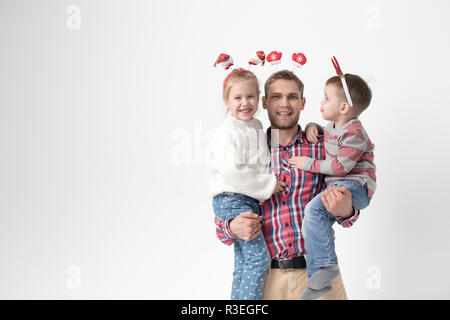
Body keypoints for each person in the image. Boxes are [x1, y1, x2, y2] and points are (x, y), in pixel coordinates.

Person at [215, 70, 359, 300]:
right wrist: (231, 228)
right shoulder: (248, 148)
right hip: (266, 279)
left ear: (303, 103)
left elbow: (350, 198)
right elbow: (225, 211)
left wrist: (347, 211)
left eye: (292, 97)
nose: (284, 104)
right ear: (264, 102)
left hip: (319, 274)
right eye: (276, 97)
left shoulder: (323, 145)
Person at [288, 74, 376, 299]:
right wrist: (311, 127)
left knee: (313, 210)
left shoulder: (355, 132)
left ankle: (324, 269)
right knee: (316, 215)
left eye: (326, 98)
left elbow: (340, 167)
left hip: (355, 184)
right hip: (342, 184)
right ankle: (320, 277)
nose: (321, 103)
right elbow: (328, 135)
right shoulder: (334, 126)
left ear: (344, 107)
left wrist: (308, 163)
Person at [207, 68, 286, 300]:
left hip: (246, 198)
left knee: (243, 260)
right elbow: (234, 173)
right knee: (258, 258)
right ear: (226, 101)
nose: (245, 103)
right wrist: (269, 185)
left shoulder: (256, 126)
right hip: (231, 198)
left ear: (260, 99)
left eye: (250, 96)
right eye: (237, 98)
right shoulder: (227, 132)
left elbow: (263, 157)